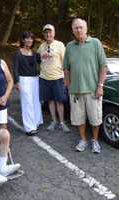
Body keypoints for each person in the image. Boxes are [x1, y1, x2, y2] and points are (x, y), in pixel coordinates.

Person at [63, 18, 107, 153]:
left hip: (93, 90)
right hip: (75, 91)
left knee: (95, 118)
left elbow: (103, 66)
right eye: (76, 28)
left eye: (81, 27)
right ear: (72, 30)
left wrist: (100, 85)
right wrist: (69, 86)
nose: (78, 30)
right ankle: (83, 140)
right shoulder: (69, 46)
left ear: (86, 29)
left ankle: (94, 140)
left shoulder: (95, 43)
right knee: (78, 118)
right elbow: (66, 69)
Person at [37, 24, 70, 132]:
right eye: (46, 32)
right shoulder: (41, 46)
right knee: (50, 101)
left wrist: (66, 78)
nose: (48, 34)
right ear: (44, 34)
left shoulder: (60, 45)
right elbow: (37, 61)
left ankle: (61, 122)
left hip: (58, 78)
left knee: (59, 101)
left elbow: (65, 62)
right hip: (44, 78)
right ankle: (54, 121)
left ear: (54, 33)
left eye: (50, 32)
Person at [12, 31, 43, 136]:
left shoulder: (35, 53)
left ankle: (36, 122)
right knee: (27, 103)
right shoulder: (17, 53)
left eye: (31, 38)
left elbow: (43, 62)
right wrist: (16, 82)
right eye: (27, 38)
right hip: (23, 80)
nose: (29, 40)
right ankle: (29, 127)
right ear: (23, 40)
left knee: (35, 101)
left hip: (35, 79)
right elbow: (15, 69)